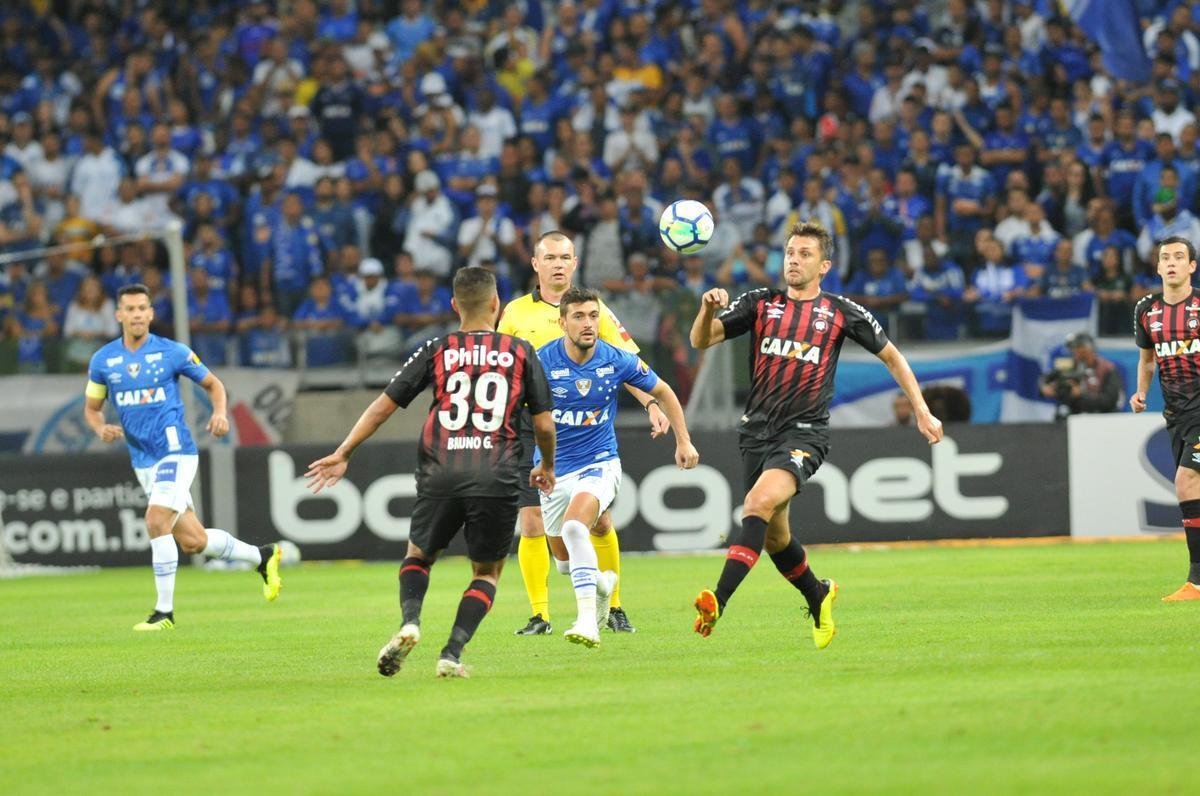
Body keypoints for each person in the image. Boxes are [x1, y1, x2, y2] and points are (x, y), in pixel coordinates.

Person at [689, 221, 944, 647]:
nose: (793, 259)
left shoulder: (841, 312)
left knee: (757, 503)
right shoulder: (761, 303)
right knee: (774, 536)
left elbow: (893, 357)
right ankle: (818, 593)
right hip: (756, 433)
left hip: (804, 434)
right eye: (789, 252)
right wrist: (707, 309)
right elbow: (702, 340)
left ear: (824, 265)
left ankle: (718, 600)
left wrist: (922, 411)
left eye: (804, 254)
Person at [304, 267, 557, 678]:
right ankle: (452, 653)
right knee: (487, 572)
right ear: (496, 304)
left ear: (454, 305)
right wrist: (546, 464)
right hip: (496, 473)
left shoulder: (436, 349)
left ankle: (410, 622)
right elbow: (544, 425)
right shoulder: (521, 352)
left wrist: (344, 451)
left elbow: (383, 405)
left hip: (441, 470)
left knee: (419, 556)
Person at [83, 284, 283, 631]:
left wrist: (220, 413)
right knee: (194, 541)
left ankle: (164, 613)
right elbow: (92, 409)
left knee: (156, 519)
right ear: (119, 315)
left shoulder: (172, 352)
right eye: (129, 309)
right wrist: (99, 427)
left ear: (150, 313)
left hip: (176, 451)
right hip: (142, 459)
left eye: (142, 308)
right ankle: (262, 556)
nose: (136, 314)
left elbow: (214, 385)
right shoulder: (103, 361)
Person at [498, 230, 669, 636]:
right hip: (531, 429)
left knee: (600, 524)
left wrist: (651, 403)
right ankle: (540, 614)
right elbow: (502, 369)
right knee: (532, 522)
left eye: (565, 257)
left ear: (574, 264)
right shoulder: (515, 313)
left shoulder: (596, 311)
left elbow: (624, 363)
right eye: (550, 257)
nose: (558, 264)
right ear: (536, 264)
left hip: (587, 431)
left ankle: (615, 605)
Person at [537, 287, 699, 647]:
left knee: (577, 529)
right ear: (562, 322)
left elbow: (664, 392)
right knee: (564, 562)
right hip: (552, 471)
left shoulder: (617, 359)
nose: (588, 323)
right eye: (578, 316)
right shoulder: (541, 361)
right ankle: (600, 582)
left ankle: (586, 623)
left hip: (599, 463)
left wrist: (683, 440)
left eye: (593, 315)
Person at [1131, 236, 1200, 601]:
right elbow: (1147, 360)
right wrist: (1141, 392)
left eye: (1179, 257)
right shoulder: (1146, 309)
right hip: (1176, 415)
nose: (1171, 262)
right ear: (1157, 267)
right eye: (1164, 258)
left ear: (1192, 266)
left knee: (1186, 481)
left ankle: (1196, 582)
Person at [1038, 332, 1122, 419]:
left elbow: (1110, 400)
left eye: (1079, 349)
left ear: (1090, 349)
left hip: (1102, 418)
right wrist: (1046, 388)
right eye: (1073, 349)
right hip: (1072, 416)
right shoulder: (1068, 366)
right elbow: (1045, 379)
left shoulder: (1107, 368)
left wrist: (1081, 394)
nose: (1077, 353)